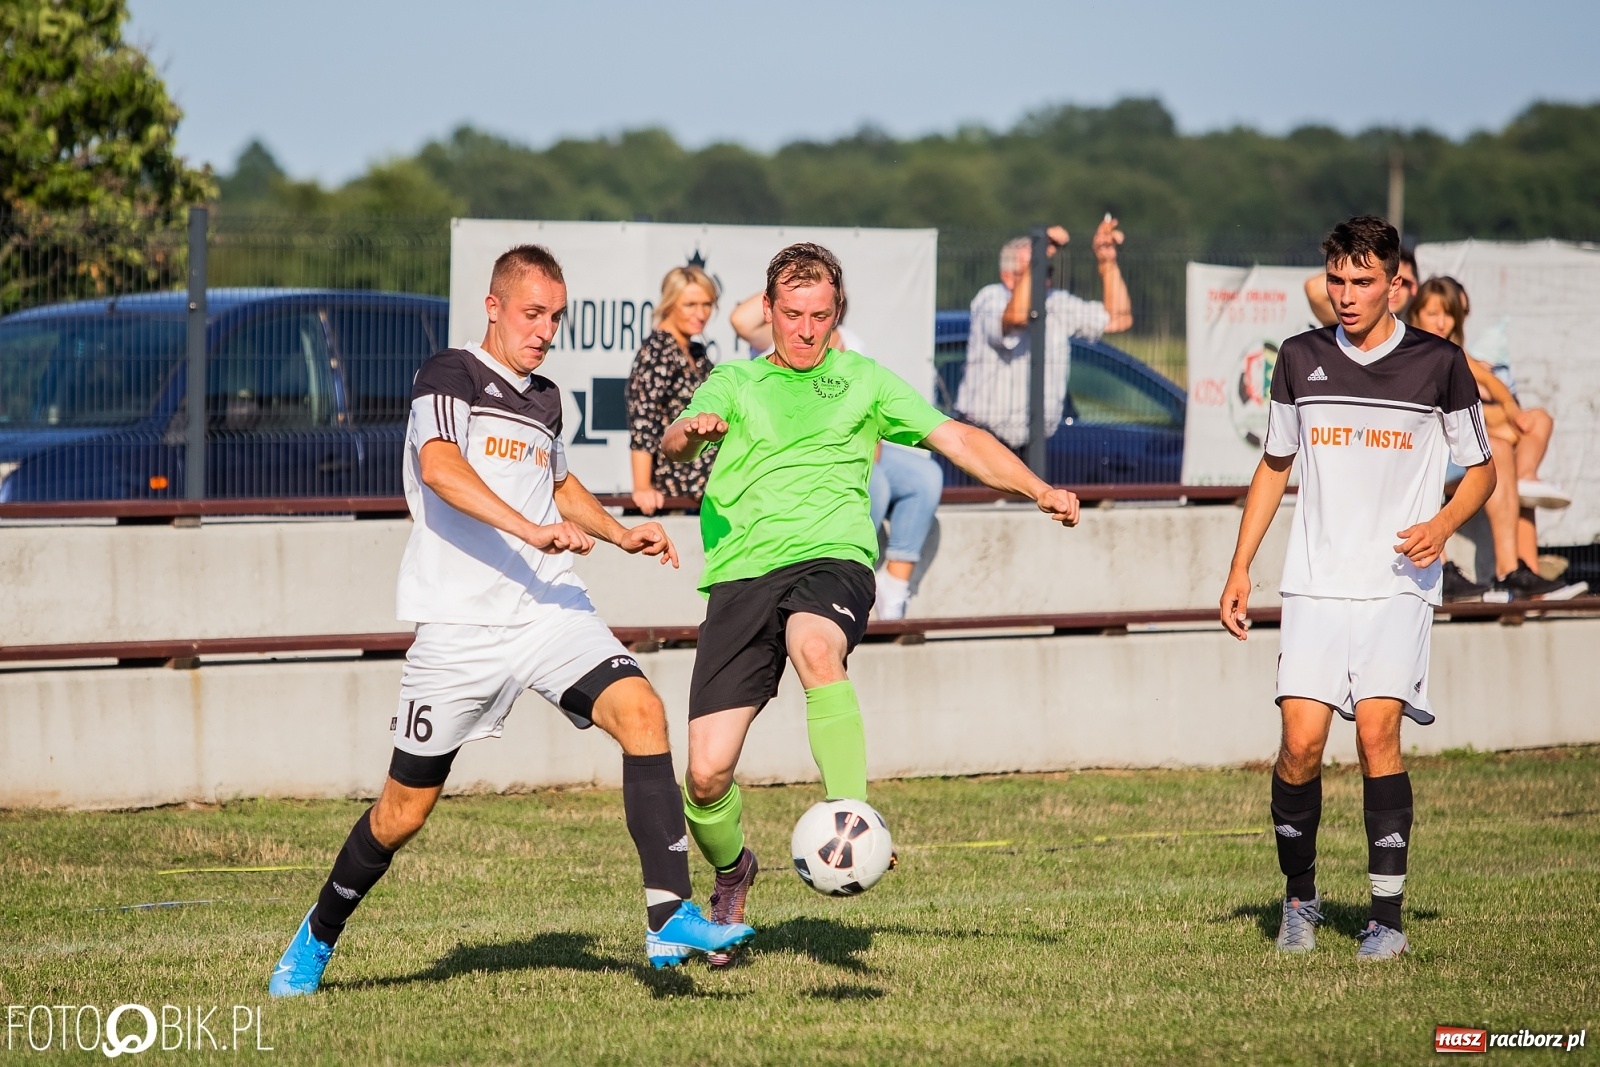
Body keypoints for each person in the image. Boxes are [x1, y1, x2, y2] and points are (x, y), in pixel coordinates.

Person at [268, 245, 753, 997]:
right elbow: (439, 467)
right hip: (461, 628)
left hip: (546, 608)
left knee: (643, 711)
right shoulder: (449, 375)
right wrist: (527, 530)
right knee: (400, 813)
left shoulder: (547, 397)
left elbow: (557, 481)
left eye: (555, 317)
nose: (545, 331)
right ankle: (317, 935)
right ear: (493, 306)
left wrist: (621, 532)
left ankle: (668, 914)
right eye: (533, 314)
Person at [660, 243, 1081, 965]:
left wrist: (1036, 487)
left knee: (814, 645)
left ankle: (852, 819)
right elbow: (673, 442)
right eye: (791, 315)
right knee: (704, 774)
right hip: (741, 575)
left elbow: (958, 438)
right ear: (768, 311)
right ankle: (733, 871)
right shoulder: (732, 381)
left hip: (833, 558)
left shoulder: (863, 380)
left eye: (819, 316)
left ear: (837, 314)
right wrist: (688, 434)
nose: (805, 330)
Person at [1219, 217, 1496, 961]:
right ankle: (1300, 898)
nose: (1345, 295)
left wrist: (1442, 525)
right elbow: (1275, 465)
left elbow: (1482, 470)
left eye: (1363, 281)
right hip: (1314, 583)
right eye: (1336, 280)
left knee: (1377, 734)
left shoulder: (1439, 363)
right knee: (1299, 746)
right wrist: (1241, 567)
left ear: (1395, 283)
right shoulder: (1299, 356)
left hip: (1398, 582)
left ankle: (1385, 919)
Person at [730, 291, 943, 620]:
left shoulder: (850, 343)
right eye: (798, 309)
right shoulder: (780, 338)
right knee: (877, 486)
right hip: (798, 450)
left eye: (821, 310)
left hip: (856, 444)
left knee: (926, 477)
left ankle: (894, 588)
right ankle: (843, 582)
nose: (808, 326)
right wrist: (790, 280)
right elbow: (741, 321)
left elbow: (865, 413)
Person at [1407, 277, 1585, 601]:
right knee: (1497, 446)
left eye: (1448, 314)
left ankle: (1511, 571)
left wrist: (1509, 409)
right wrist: (1501, 420)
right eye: (1433, 313)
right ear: (1415, 314)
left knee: (1512, 441)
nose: (1441, 322)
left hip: (1456, 454)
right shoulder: (1412, 351)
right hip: (1428, 457)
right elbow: (1448, 410)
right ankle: (1503, 570)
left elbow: (1487, 380)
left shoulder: (1453, 353)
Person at [955, 217, 1133, 451]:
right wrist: (1041, 251)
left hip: (1034, 444)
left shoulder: (1056, 302)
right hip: (980, 440)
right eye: (1034, 269)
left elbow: (1119, 319)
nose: (1043, 278)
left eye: (1046, 270)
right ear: (1008, 277)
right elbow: (1016, 316)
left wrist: (1106, 262)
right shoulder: (990, 298)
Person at [626, 265, 719, 515]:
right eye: (690, 304)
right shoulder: (657, 350)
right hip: (675, 498)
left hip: (706, 491)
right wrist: (642, 487)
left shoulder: (697, 353)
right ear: (669, 303)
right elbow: (643, 421)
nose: (700, 313)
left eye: (707, 304)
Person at [1305, 244, 1418, 325]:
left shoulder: (1424, 320)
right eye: (1365, 282)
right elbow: (1314, 288)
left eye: (1404, 282)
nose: (1394, 288)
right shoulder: (1353, 315)